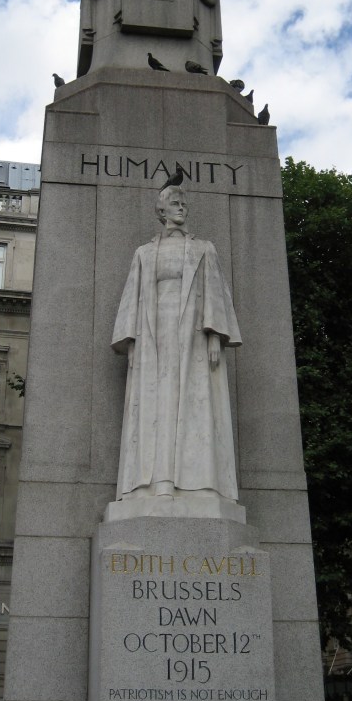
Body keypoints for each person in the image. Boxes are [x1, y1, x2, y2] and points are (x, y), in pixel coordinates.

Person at [112, 186, 241, 501]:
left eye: (184, 203)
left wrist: (214, 336)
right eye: (174, 203)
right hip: (152, 337)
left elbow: (214, 293)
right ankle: (156, 483)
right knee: (156, 407)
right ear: (161, 211)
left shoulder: (204, 249)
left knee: (196, 406)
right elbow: (132, 298)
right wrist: (131, 344)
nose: (181, 207)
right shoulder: (144, 253)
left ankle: (201, 484)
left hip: (194, 337)